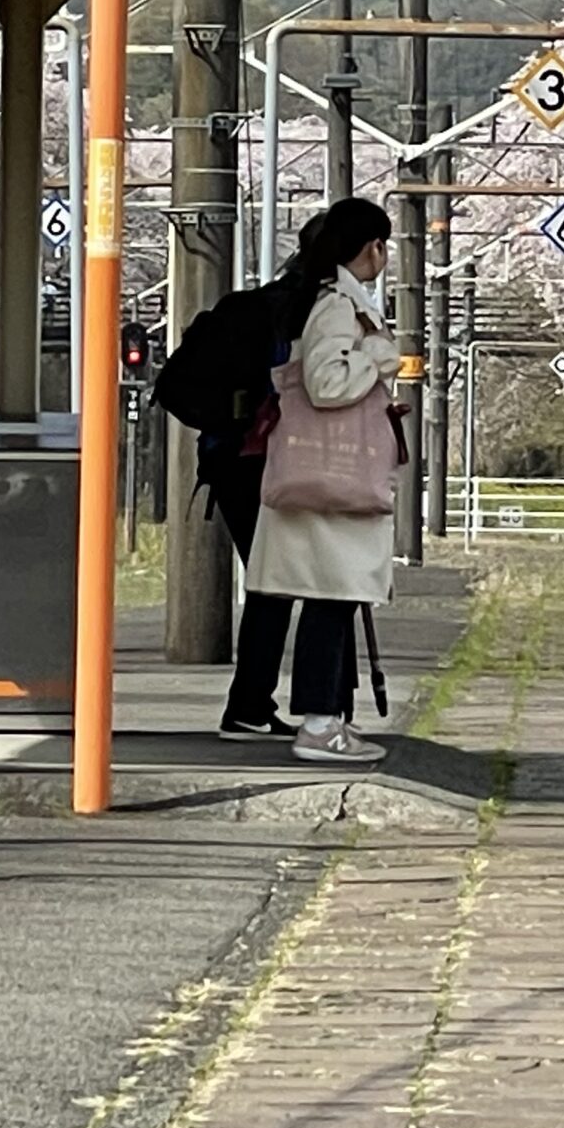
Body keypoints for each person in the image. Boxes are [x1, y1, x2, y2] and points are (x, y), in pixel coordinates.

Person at [158, 215, 328, 742]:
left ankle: (253, 703)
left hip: (230, 459)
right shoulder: (312, 312)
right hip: (274, 460)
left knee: (273, 582)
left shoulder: (252, 306)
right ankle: (256, 705)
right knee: (281, 582)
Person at [246, 197, 399, 765]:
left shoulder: (332, 300)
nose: (385, 257)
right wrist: (379, 359)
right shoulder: (338, 306)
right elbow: (327, 385)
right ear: (370, 247)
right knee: (331, 600)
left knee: (331, 598)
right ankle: (318, 722)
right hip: (333, 479)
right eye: (382, 246)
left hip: (328, 481)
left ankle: (327, 719)